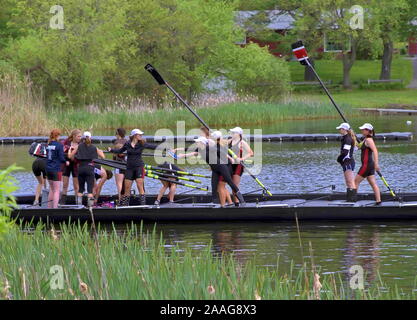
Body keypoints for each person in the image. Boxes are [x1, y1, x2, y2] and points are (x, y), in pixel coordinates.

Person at [176, 134, 246, 207]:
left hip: (222, 167)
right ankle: (218, 204)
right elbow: (188, 149)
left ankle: (242, 200)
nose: (196, 143)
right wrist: (178, 152)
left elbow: (221, 152)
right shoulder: (199, 149)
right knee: (214, 186)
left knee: (231, 183)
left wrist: (230, 158)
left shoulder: (209, 148)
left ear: (202, 143)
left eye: (198, 142)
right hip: (215, 169)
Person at [107, 129, 159, 206]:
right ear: (135, 135)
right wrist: (111, 150)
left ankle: (143, 205)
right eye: (139, 135)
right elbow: (120, 151)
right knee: (127, 188)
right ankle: (125, 205)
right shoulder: (127, 144)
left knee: (140, 187)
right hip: (129, 168)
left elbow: (153, 147)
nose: (141, 136)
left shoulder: (142, 143)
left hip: (139, 167)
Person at [69, 131, 105, 207]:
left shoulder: (79, 146)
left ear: (83, 139)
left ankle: (78, 206)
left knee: (80, 189)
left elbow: (70, 156)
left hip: (81, 168)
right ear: (90, 138)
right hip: (90, 169)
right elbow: (103, 157)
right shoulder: (94, 147)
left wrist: (69, 151)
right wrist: (100, 151)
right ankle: (90, 207)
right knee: (90, 190)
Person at [355, 123, 381, 205]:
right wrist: (352, 136)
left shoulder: (369, 140)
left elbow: (375, 151)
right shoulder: (365, 139)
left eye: (363, 129)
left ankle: (352, 201)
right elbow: (358, 147)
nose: (361, 130)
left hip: (366, 166)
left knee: (355, 182)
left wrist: (376, 164)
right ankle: (378, 201)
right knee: (373, 183)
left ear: (368, 131)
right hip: (369, 166)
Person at [228, 127, 254, 205]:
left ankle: (237, 203)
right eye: (231, 133)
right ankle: (233, 202)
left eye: (233, 133)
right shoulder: (229, 141)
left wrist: (242, 158)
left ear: (239, 134)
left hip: (238, 166)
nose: (232, 134)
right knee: (231, 185)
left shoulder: (242, 143)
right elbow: (219, 145)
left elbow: (251, 153)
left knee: (235, 185)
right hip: (229, 165)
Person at [45, 129, 67, 208]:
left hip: (48, 169)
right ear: (57, 136)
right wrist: (66, 162)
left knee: (52, 189)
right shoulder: (59, 145)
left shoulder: (48, 144)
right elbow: (61, 158)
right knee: (57, 190)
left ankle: (49, 207)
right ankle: (55, 208)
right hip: (56, 169)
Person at [336, 123, 357, 202]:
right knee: (348, 182)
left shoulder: (347, 139)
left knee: (350, 182)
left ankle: (353, 200)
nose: (339, 130)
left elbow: (345, 152)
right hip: (346, 162)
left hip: (348, 162)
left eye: (340, 129)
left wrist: (339, 159)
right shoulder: (345, 138)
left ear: (344, 130)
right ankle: (350, 199)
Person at [60, 129, 82, 205]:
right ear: (74, 136)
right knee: (65, 185)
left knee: (76, 186)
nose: (80, 138)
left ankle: (78, 203)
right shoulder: (66, 142)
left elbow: (81, 156)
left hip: (76, 166)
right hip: (66, 165)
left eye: (80, 136)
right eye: (78, 136)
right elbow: (61, 153)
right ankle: (62, 203)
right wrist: (68, 157)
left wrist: (73, 158)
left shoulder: (81, 144)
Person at [113, 128, 128, 201]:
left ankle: (120, 199)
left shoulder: (116, 142)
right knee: (126, 183)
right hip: (127, 165)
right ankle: (126, 199)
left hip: (118, 164)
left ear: (117, 134)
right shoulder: (128, 141)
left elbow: (115, 154)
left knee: (119, 184)